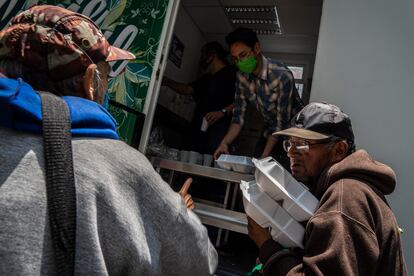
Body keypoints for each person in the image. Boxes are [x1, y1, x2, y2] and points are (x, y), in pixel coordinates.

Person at [0, 5, 217, 275]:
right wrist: (176, 213)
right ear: (92, 82)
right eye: (107, 74)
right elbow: (200, 263)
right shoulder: (121, 167)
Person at [247, 102, 408, 275]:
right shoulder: (348, 189)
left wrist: (267, 247)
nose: (292, 153)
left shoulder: (345, 198)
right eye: (290, 144)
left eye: (303, 144)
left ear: (339, 150)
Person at [214, 27, 303, 170]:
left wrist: (265, 156)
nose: (240, 62)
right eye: (235, 59)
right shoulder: (241, 77)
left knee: (276, 173)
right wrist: (224, 143)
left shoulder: (282, 76)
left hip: (291, 134)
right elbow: (238, 118)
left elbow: (281, 123)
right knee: (255, 169)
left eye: (243, 55)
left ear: (257, 48)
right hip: (270, 130)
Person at [163, 41, 237, 154]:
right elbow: (187, 89)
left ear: (212, 56)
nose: (202, 59)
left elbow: (241, 102)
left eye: (203, 55)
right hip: (199, 131)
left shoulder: (231, 74)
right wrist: (167, 81)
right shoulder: (207, 78)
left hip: (218, 132)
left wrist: (221, 112)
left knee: (210, 158)